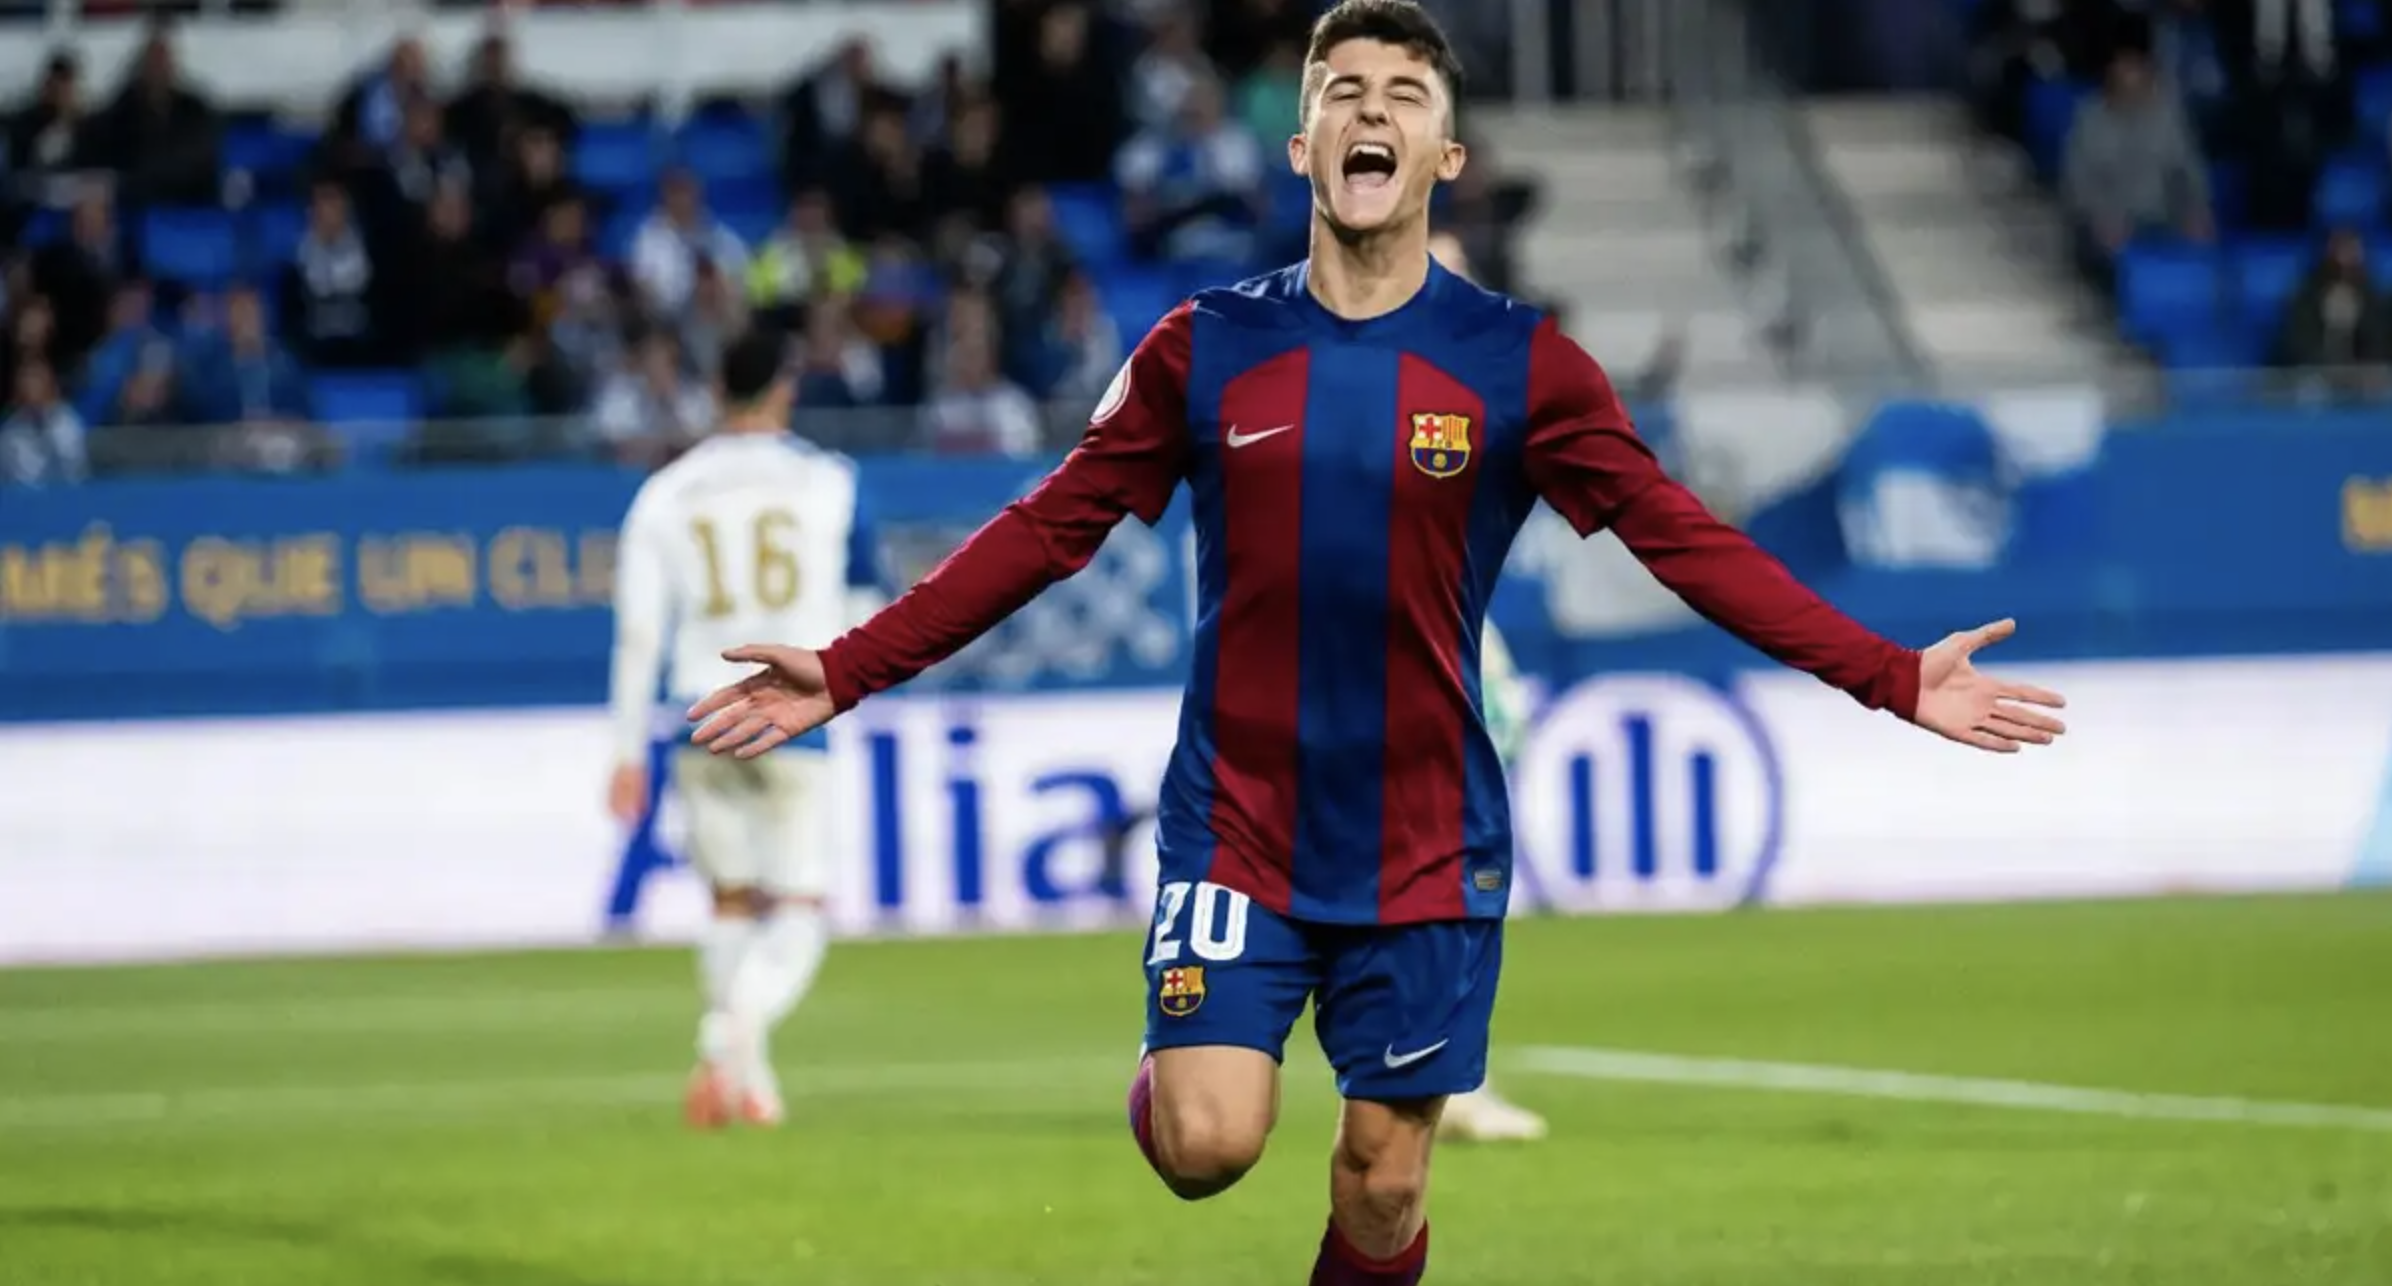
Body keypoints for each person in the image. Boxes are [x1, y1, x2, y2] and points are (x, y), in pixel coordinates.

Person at [687, 2, 2069, 1279]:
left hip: (1425, 839)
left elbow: (1685, 542)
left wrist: (1888, 675)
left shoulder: (1523, 365)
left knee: (1383, 1184)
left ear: (1441, 152)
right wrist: (852, 663)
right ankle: (1174, 1079)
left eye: (1404, 93)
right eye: (1343, 88)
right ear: (1303, 147)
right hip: (1239, 821)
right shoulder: (1203, 347)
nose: (1372, 108)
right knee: (1206, 1145)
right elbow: (1052, 525)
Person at [606, 330, 881, 1129]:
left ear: (715, 390)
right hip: (793, 711)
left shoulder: (666, 492)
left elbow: (638, 635)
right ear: (784, 389)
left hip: (701, 712)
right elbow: (869, 603)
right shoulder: (828, 481)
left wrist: (625, 751)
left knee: (729, 901)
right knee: (798, 909)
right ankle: (732, 1034)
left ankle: (748, 1083)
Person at [1430, 620, 1549, 1145]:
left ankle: (1450, 1088)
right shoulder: (1445, 592)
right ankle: (1451, 1091)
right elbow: (1500, 717)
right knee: (1440, 927)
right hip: (1430, 790)